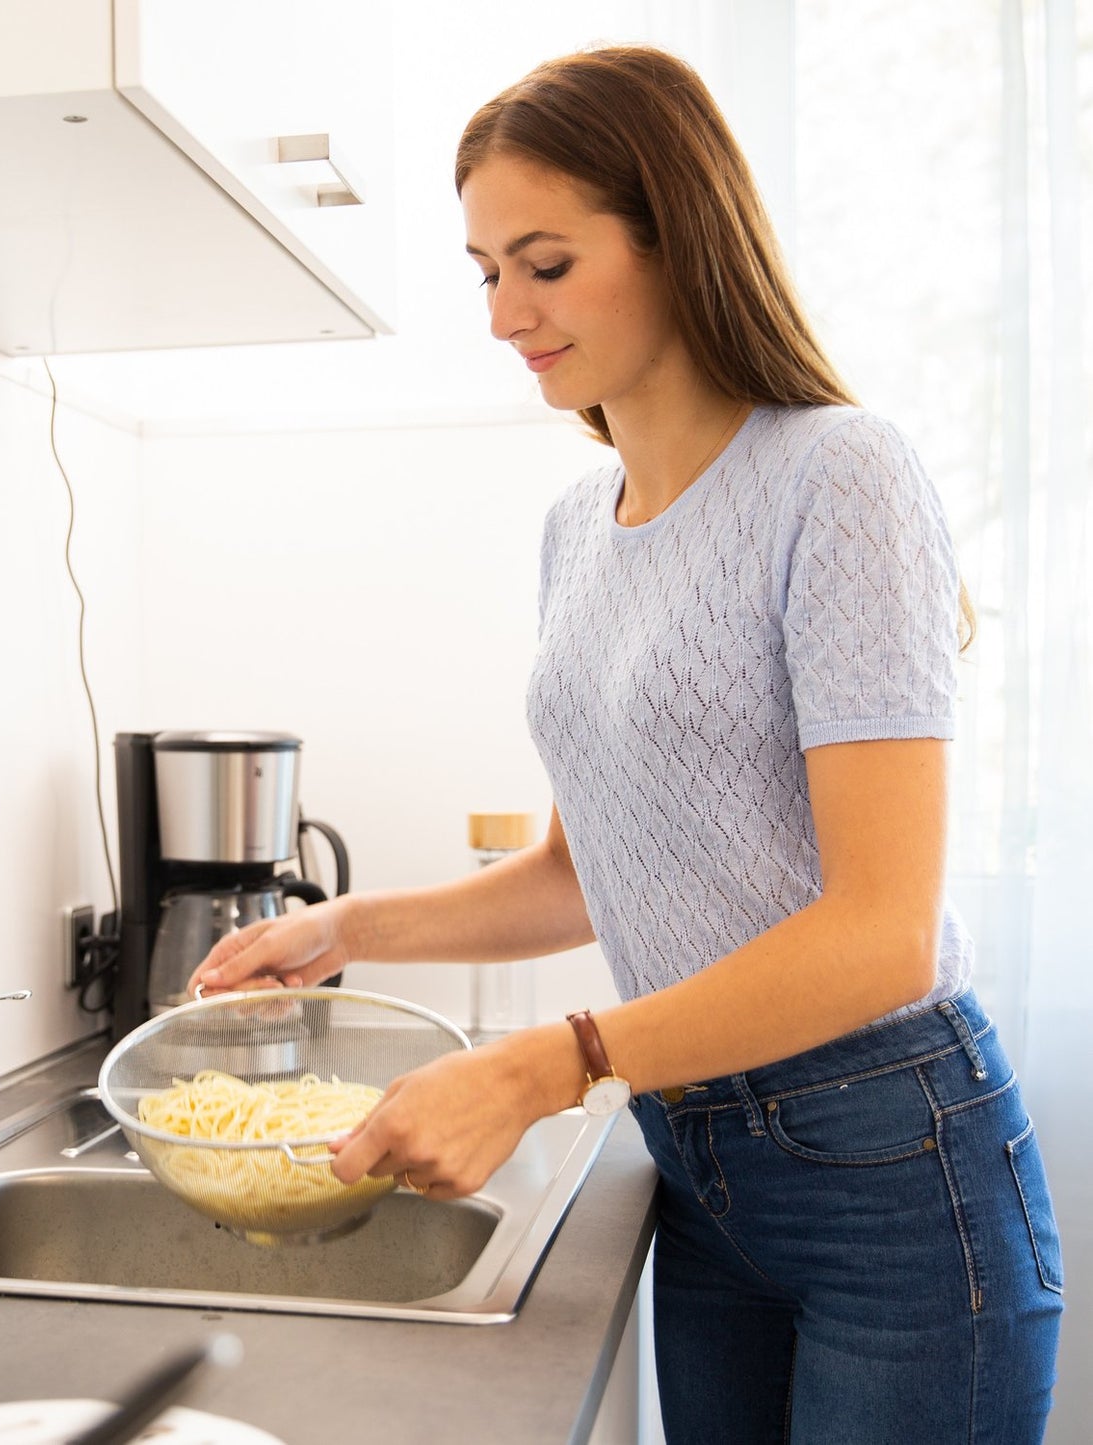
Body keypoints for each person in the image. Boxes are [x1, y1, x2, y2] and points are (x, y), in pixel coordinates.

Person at [189, 45, 1063, 1445]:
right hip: (701, 1165)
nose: (502, 314)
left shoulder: (838, 472)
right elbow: (580, 875)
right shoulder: (571, 536)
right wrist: (343, 925)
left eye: (542, 262)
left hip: (888, 1168)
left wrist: (554, 1057)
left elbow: (882, 932)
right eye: (484, 271)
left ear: (676, 236)